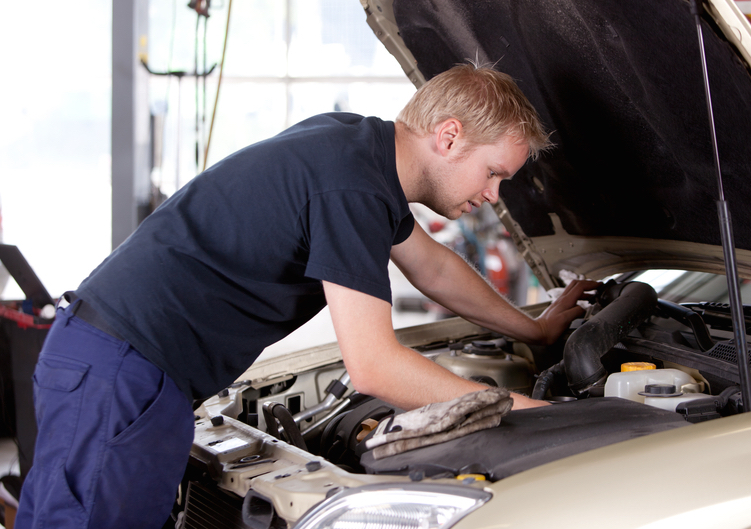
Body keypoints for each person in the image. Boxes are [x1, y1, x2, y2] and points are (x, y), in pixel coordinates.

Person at [16, 63, 597, 528]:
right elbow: (374, 368)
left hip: (120, 367)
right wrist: (525, 412)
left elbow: (435, 268)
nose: (494, 197)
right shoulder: (355, 187)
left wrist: (536, 329)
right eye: (493, 173)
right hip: (124, 377)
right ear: (449, 137)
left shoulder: (355, 145)